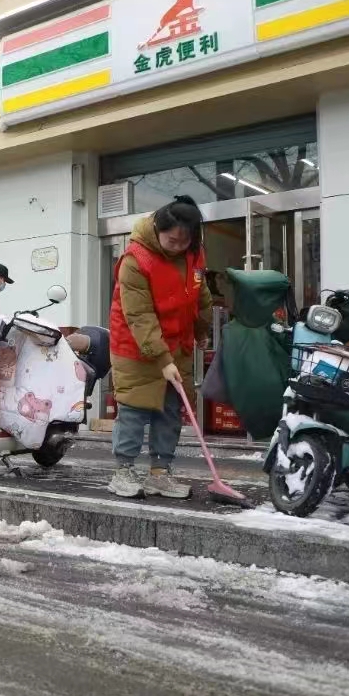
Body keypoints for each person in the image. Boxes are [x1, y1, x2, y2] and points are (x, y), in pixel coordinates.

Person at [107, 195, 211, 500]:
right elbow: (139, 316)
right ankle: (123, 471)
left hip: (176, 344)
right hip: (136, 347)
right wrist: (163, 359)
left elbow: (200, 295)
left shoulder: (195, 255)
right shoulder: (135, 260)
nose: (178, 246)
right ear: (156, 228)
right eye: (172, 239)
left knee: (169, 411)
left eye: (185, 240)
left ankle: (160, 474)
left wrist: (201, 332)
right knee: (135, 409)